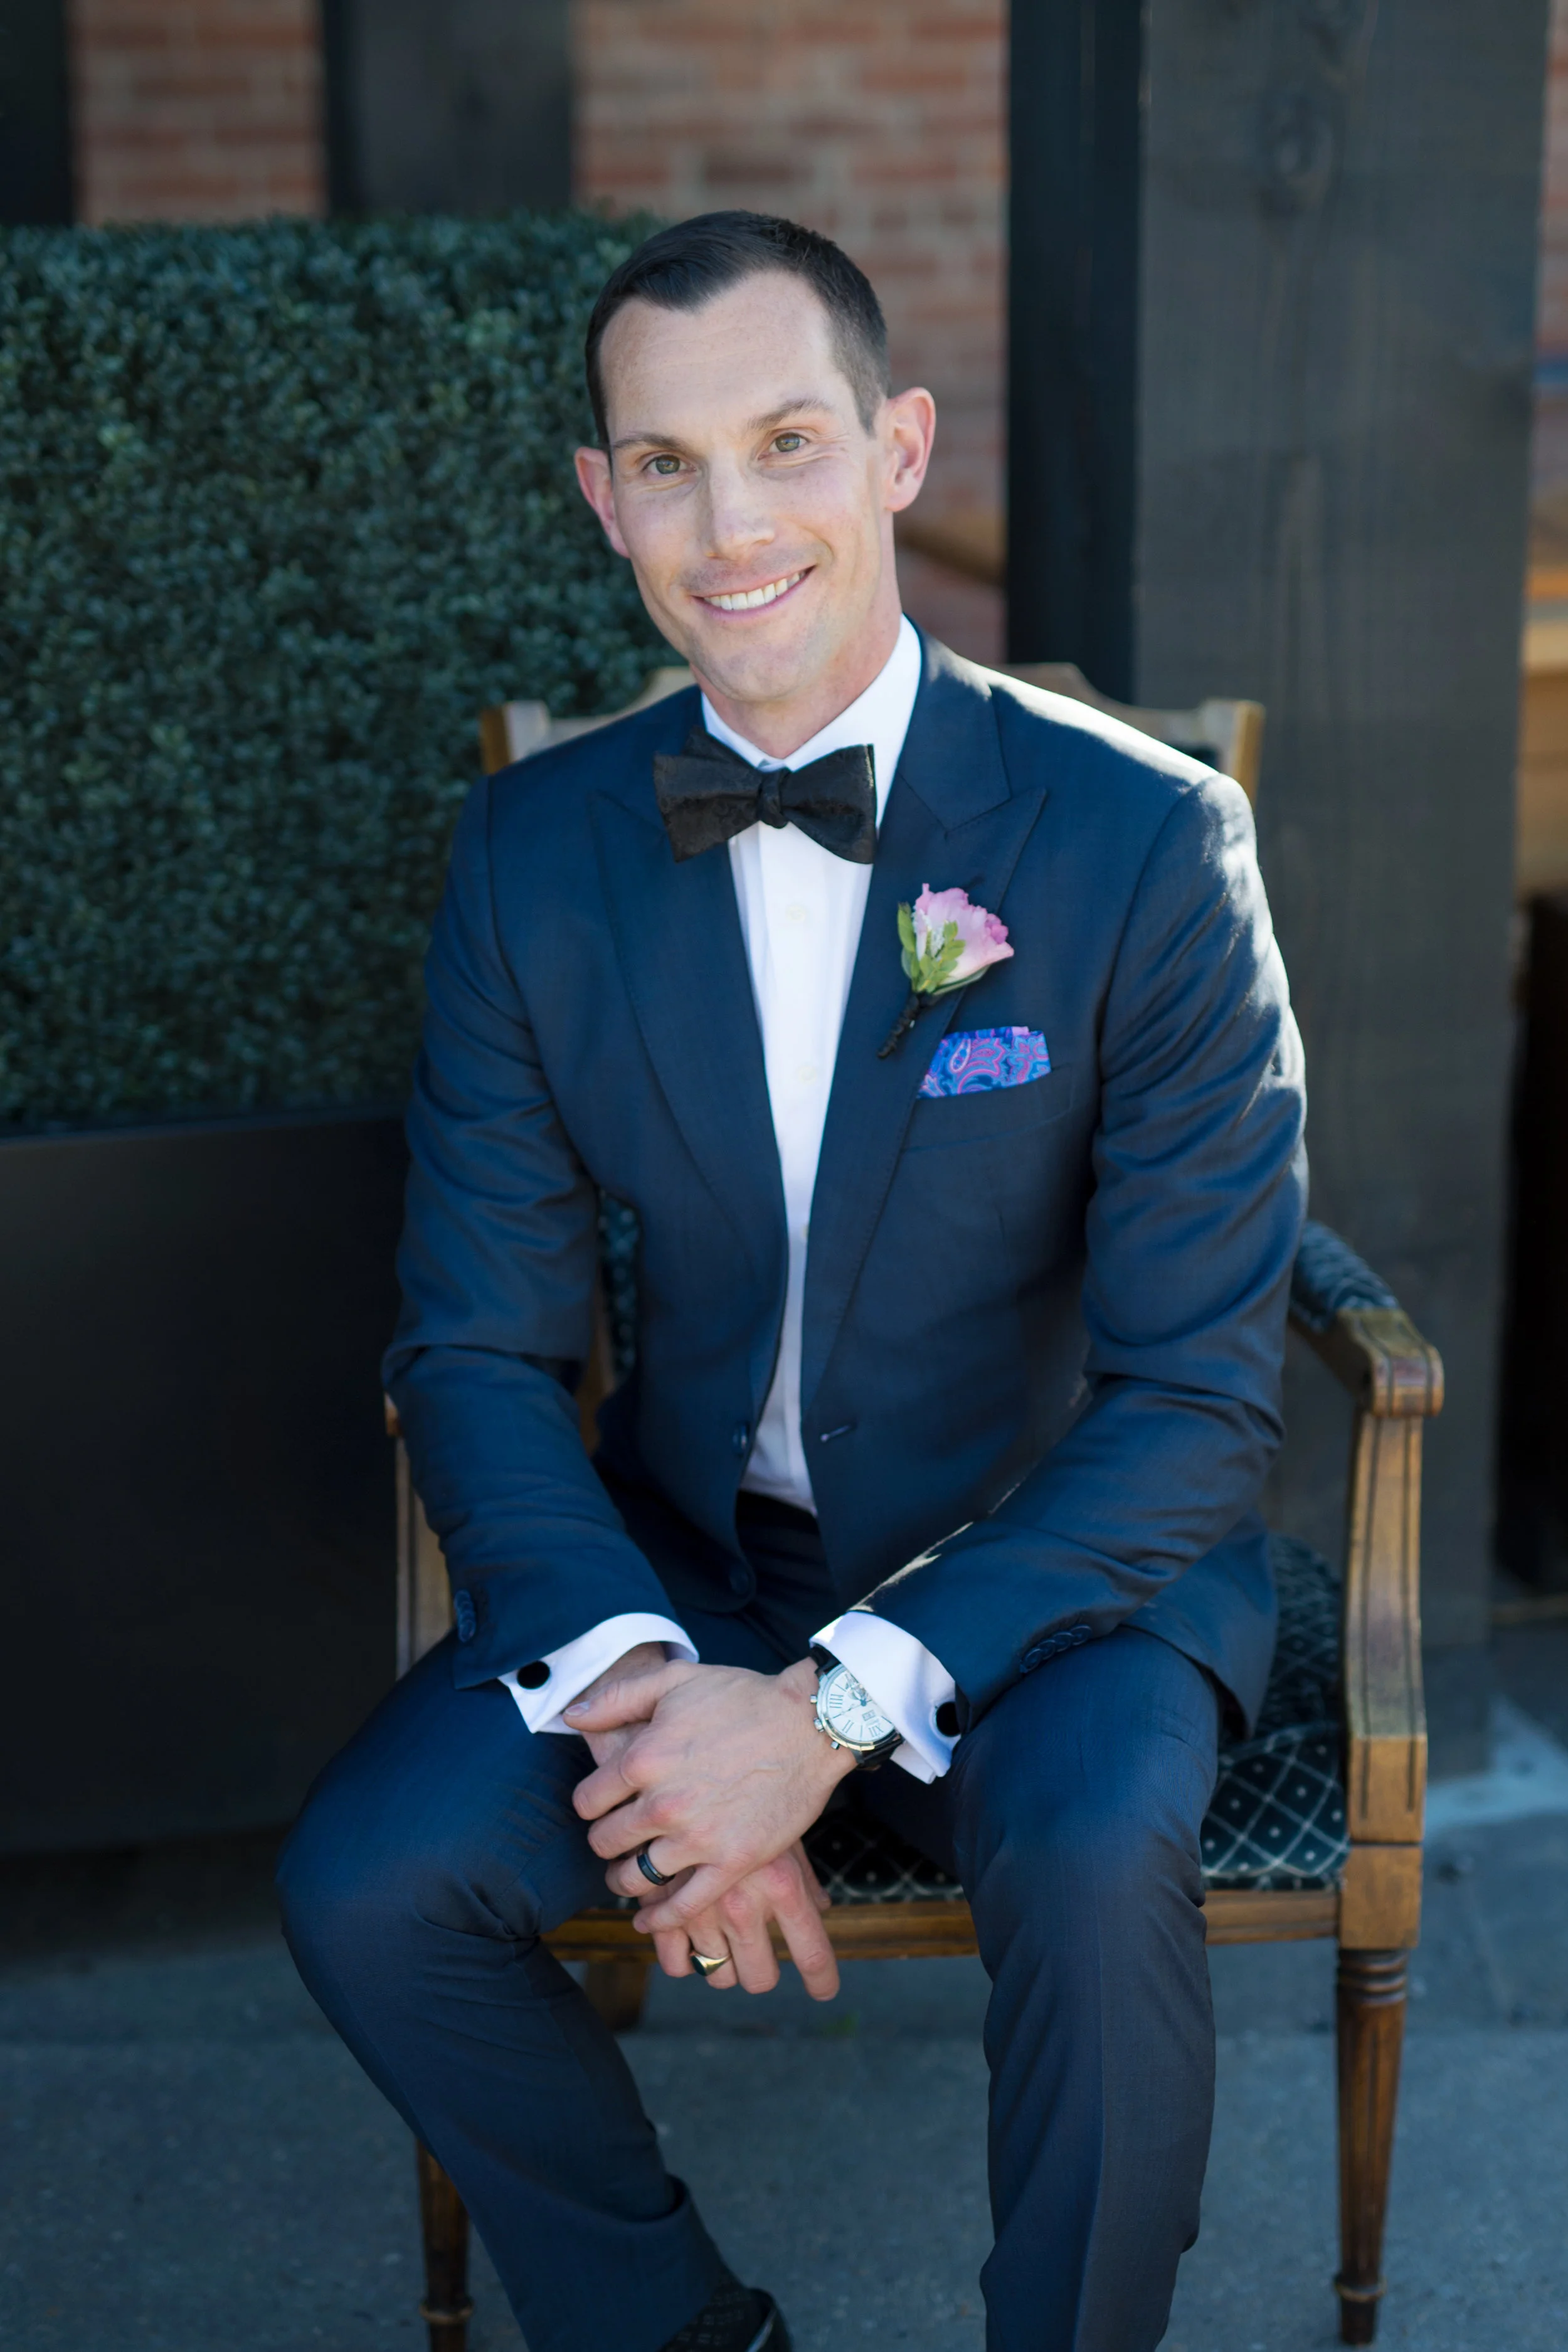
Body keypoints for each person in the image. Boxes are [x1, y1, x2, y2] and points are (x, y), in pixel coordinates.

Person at [278, 210, 1306, 2352]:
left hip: (1051, 1567)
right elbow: (475, 1343)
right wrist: (662, 1699)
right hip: (682, 1562)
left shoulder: (1144, 842)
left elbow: (1197, 1398)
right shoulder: (531, 853)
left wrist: (820, 1719)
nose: (729, 526)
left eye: (785, 443)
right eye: (665, 464)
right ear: (603, 498)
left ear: (898, 447)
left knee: (1098, 1853)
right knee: (370, 1880)